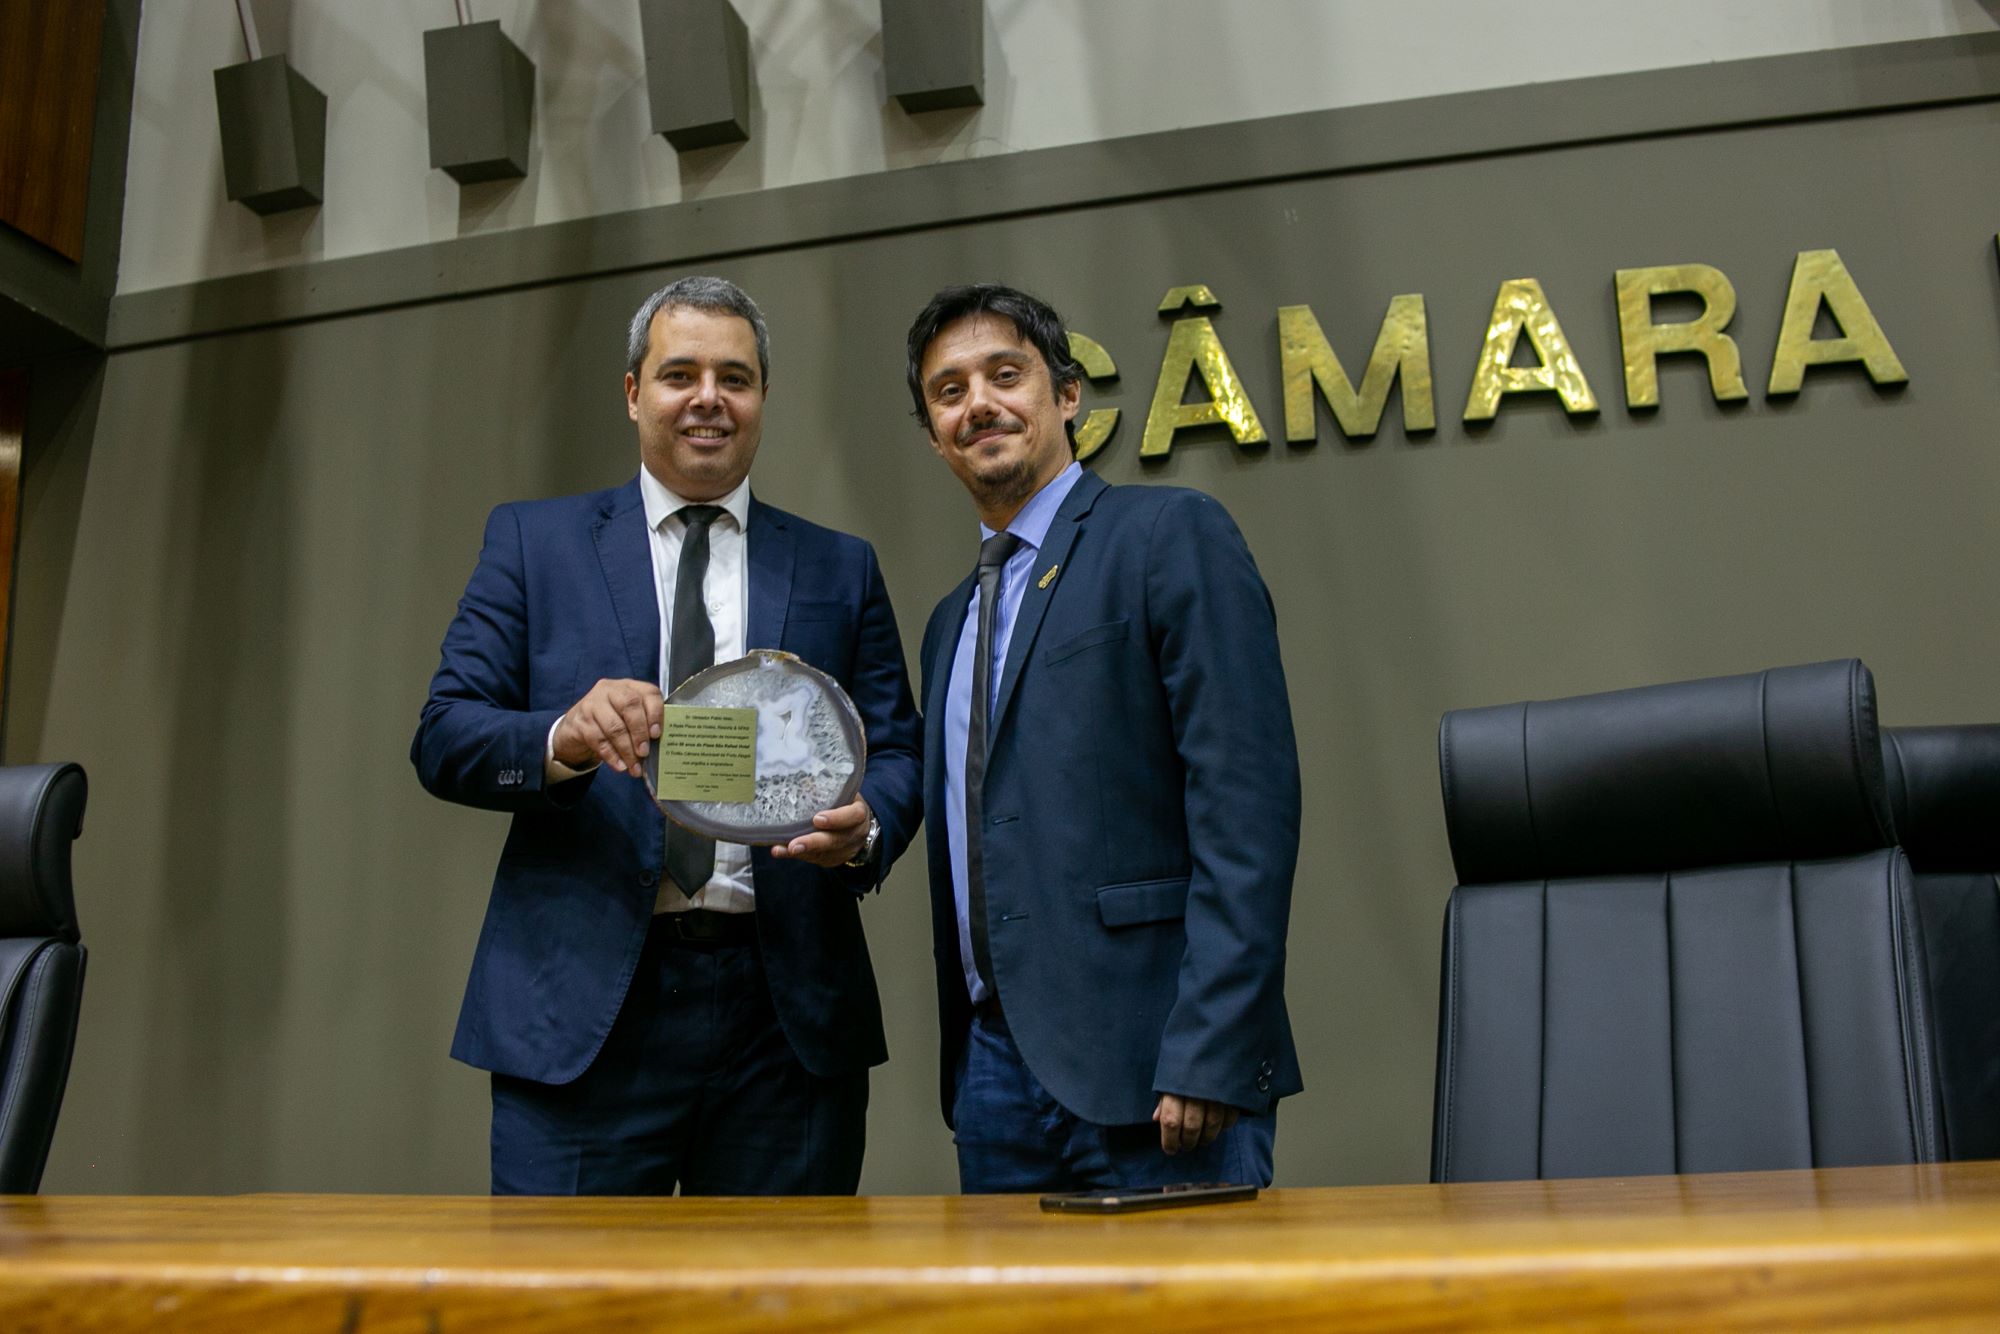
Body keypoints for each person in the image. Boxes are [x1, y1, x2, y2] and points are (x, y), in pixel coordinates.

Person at [413, 275, 922, 1195]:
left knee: (778, 1317)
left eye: (735, 377)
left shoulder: (838, 566)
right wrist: (564, 736)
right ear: (633, 391)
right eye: (679, 373)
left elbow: (896, 751)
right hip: (584, 1012)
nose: (708, 399)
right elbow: (445, 734)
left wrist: (869, 831)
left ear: (763, 396)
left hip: (786, 1018)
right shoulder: (536, 543)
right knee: (566, 1317)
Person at [906, 283, 1303, 1193]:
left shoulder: (1167, 535)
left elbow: (1246, 808)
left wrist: (1212, 1045)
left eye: (1007, 375)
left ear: (1068, 395)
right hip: (992, 1085)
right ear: (933, 433)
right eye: (950, 391)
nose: (980, 406)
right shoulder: (948, 623)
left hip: (1158, 1073)